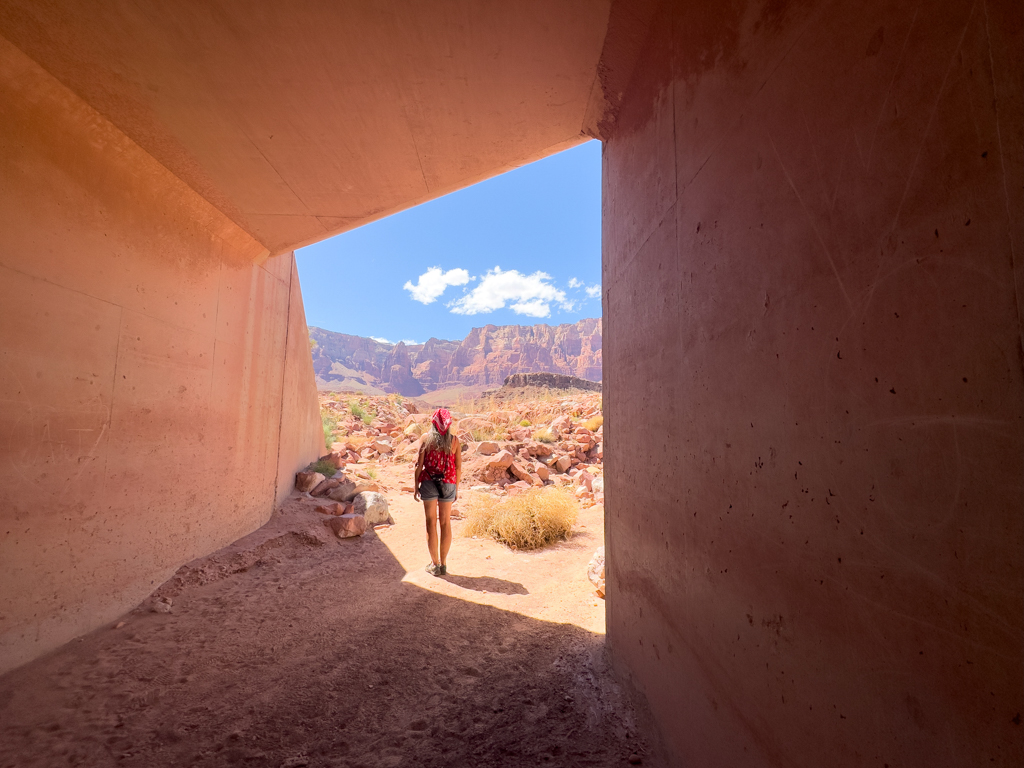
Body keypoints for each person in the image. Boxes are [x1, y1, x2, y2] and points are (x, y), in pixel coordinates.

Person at [413, 407, 462, 576]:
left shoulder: (426, 439)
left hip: (428, 482)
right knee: (445, 523)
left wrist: (415, 486)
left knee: (430, 522)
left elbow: (419, 466)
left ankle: (434, 564)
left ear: (433, 422)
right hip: (448, 483)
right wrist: (456, 489)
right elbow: (458, 468)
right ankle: (444, 564)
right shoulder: (455, 441)